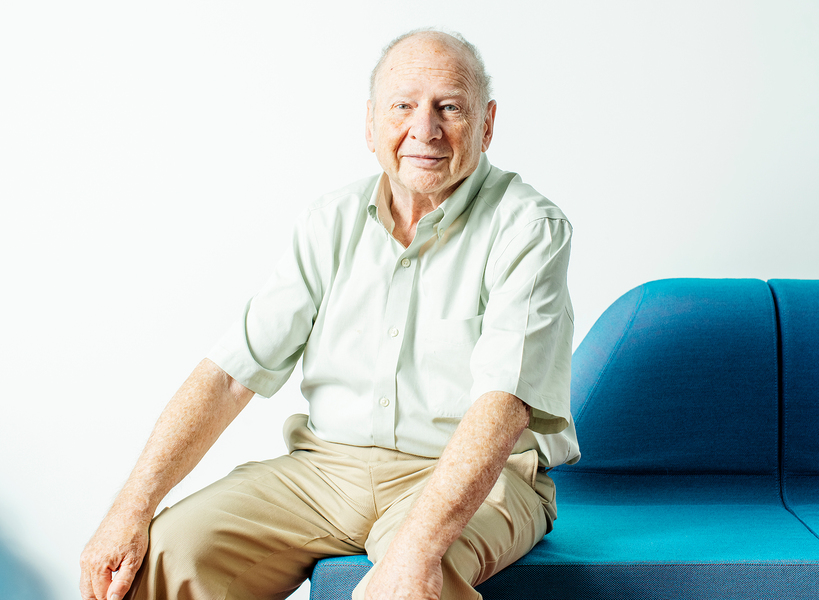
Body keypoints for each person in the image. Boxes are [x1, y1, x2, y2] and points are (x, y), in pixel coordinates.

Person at [80, 28, 579, 600]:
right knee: (169, 552)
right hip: (326, 471)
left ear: (486, 123)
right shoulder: (329, 221)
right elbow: (227, 376)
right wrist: (129, 508)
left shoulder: (530, 228)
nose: (425, 129)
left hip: (477, 475)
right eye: (403, 106)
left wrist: (414, 551)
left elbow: (503, 407)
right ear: (370, 124)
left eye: (449, 107)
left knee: (408, 581)